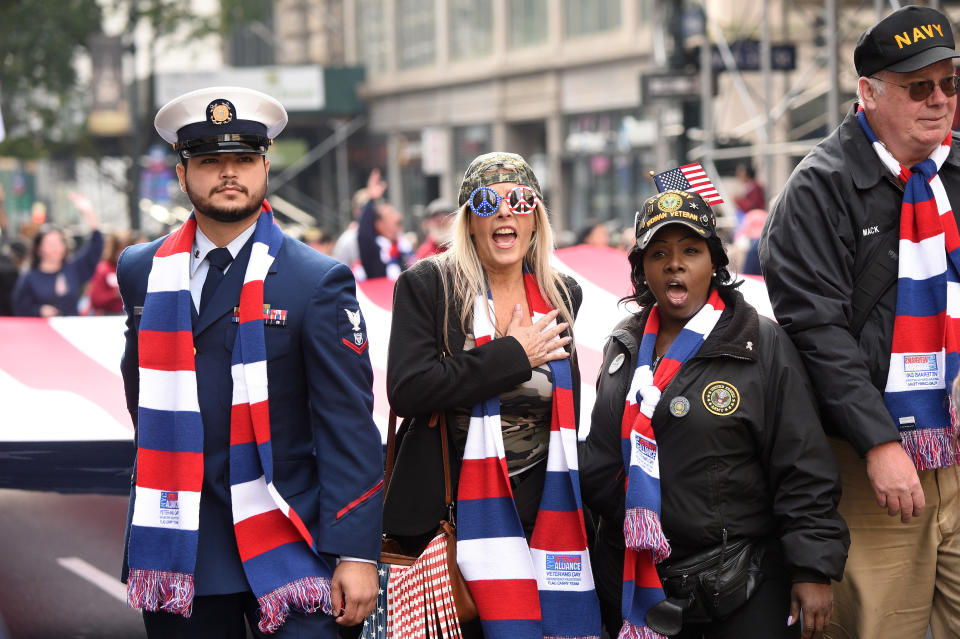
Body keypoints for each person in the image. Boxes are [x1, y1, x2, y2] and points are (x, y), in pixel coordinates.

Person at [116, 86, 383, 639]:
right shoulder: (141, 269)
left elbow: (349, 428)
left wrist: (356, 552)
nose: (228, 174)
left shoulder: (316, 280)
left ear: (264, 169)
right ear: (183, 173)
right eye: (210, 162)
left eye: (242, 160)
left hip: (292, 538)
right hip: (183, 540)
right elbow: (138, 386)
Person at [759, 6, 960, 638]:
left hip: (954, 445)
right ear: (868, 93)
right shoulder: (819, 189)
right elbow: (818, 333)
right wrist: (879, 443)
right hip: (871, 462)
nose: (938, 100)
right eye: (917, 87)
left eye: (949, 84)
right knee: (880, 629)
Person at [581, 189, 849, 639]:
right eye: (659, 252)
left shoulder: (759, 342)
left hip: (741, 582)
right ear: (642, 268)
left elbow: (802, 464)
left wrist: (812, 568)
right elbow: (602, 455)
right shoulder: (622, 346)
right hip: (634, 583)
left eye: (691, 250)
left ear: (715, 261)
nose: (674, 264)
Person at [383, 151, 601, 638]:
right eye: (487, 202)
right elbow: (408, 390)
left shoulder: (563, 292)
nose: (505, 212)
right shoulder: (430, 285)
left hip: (543, 515)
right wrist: (512, 356)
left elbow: (566, 412)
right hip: (453, 520)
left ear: (536, 218)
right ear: (470, 221)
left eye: (520, 201)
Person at [12, 192, 103, 317]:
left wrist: (88, 213)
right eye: (50, 243)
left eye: (59, 242)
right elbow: (19, 308)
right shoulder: (29, 278)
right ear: (39, 248)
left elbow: (95, 248)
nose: (55, 248)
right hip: (41, 332)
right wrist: (39, 311)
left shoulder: (73, 269)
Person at [356, 169, 413, 280]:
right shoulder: (376, 250)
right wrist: (371, 198)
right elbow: (363, 235)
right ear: (379, 224)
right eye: (391, 214)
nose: (398, 216)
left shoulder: (404, 247)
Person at [89, 229, 135, 315]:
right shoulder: (104, 269)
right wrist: (114, 294)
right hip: (109, 316)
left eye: (126, 249)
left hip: (131, 316)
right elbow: (95, 299)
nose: (122, 253)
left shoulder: (135, 269)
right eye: (119, 249)